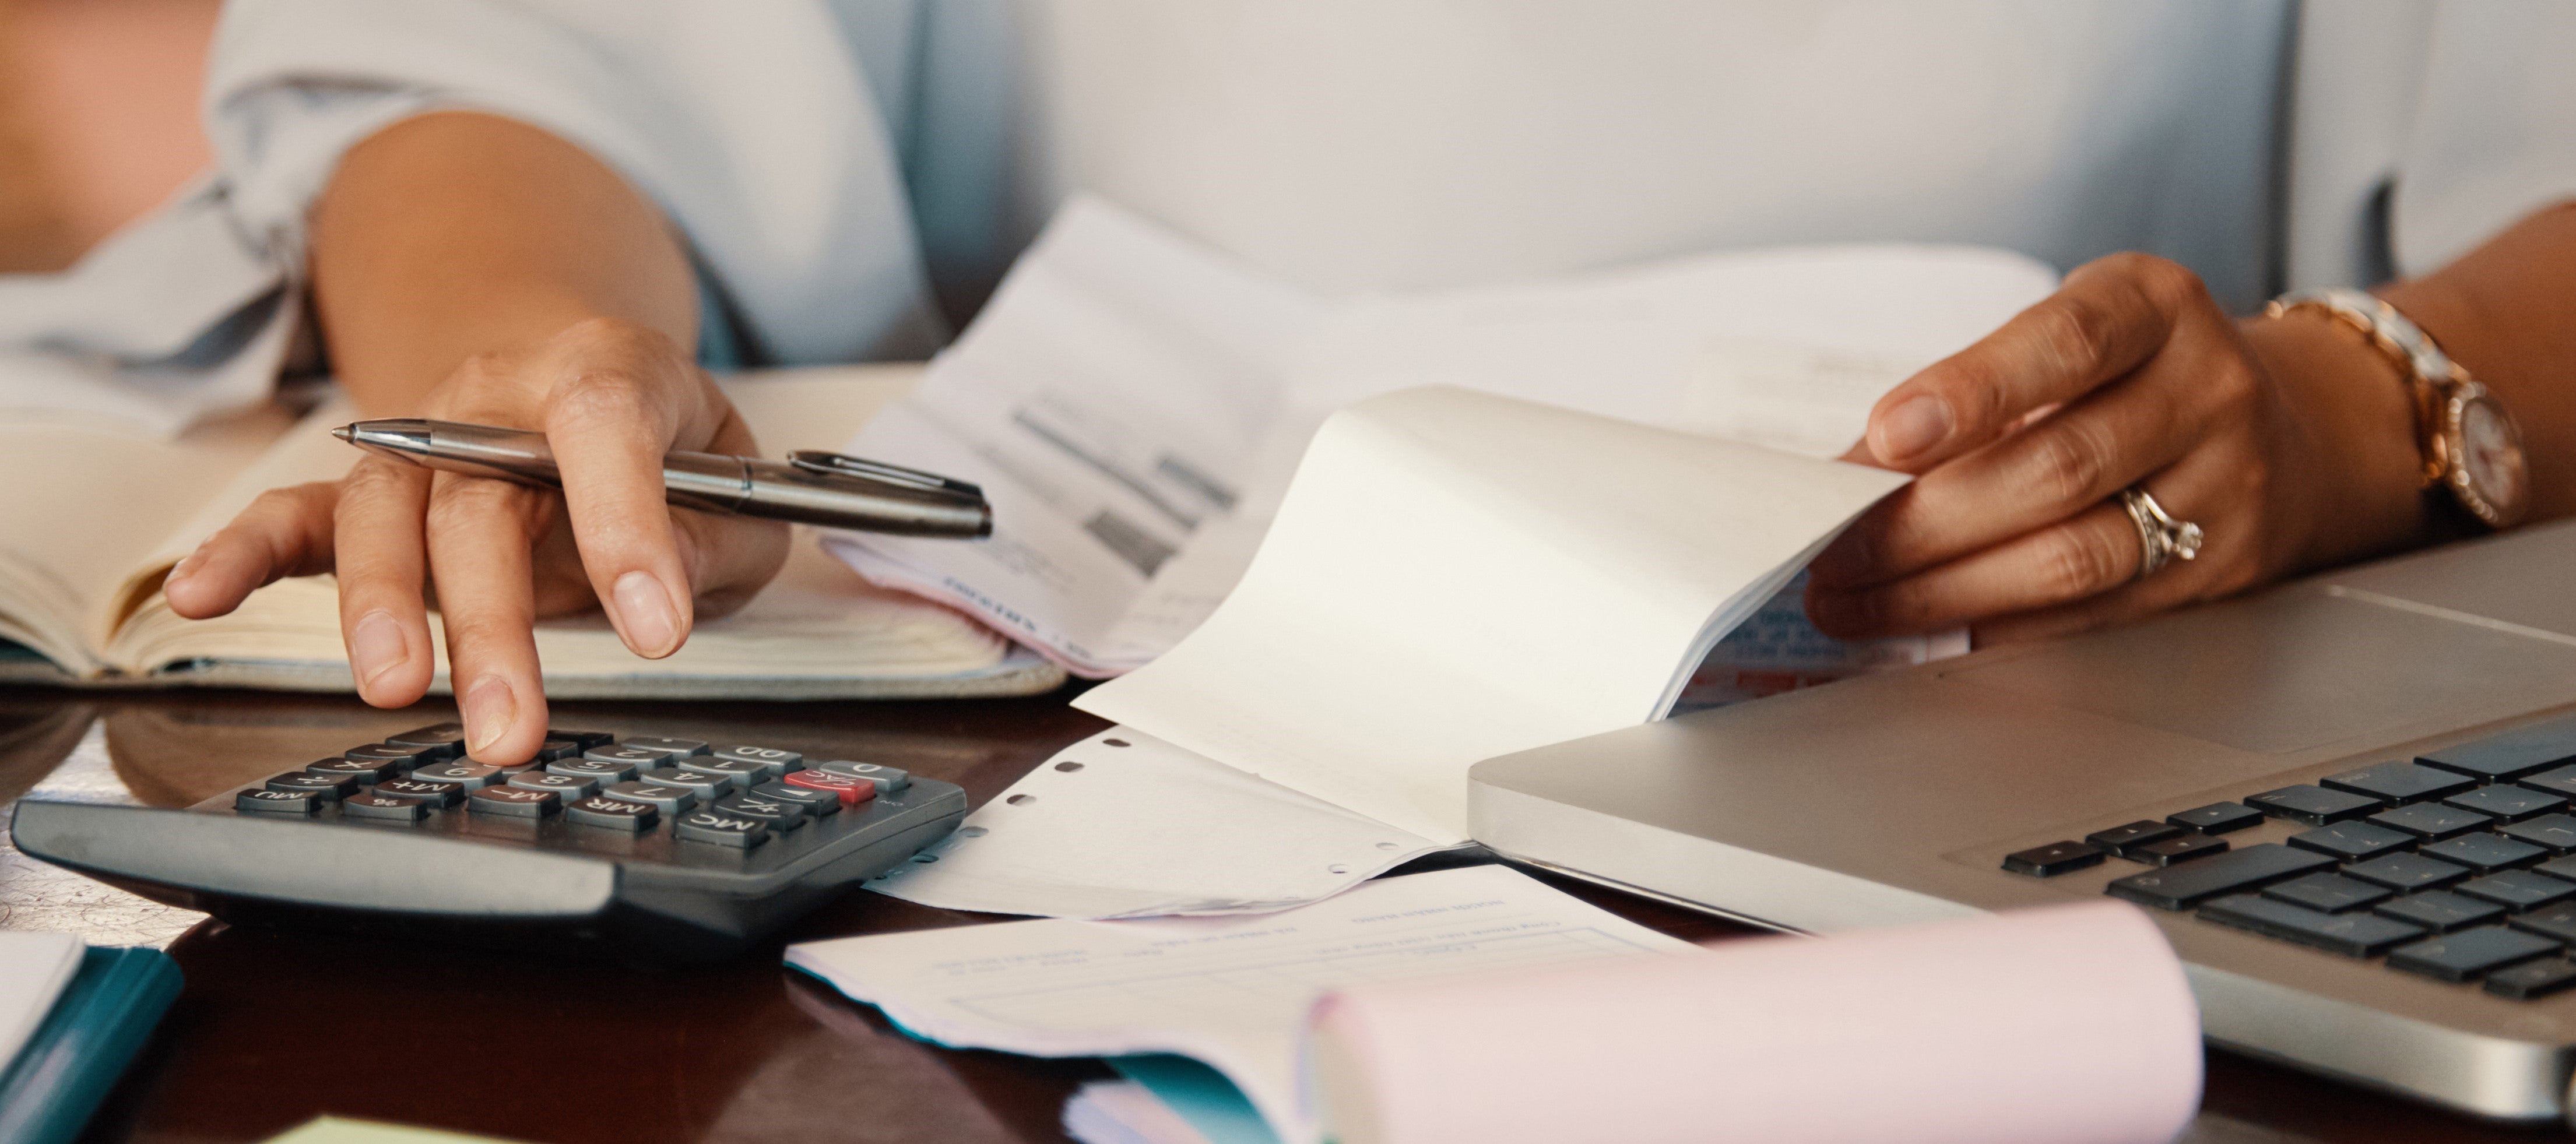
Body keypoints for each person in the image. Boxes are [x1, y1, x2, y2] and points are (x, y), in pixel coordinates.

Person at [27, 1, 2568, 763]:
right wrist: (529, 341)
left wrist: (2352, 408)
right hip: (1063, 721)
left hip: (2052, 708)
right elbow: (513, 60)